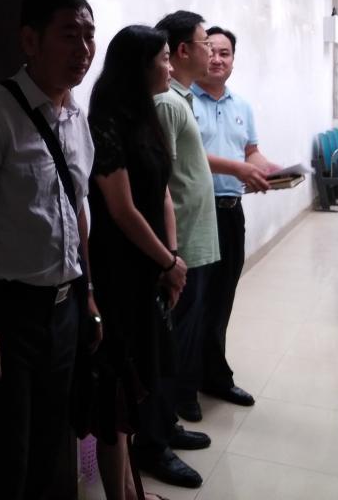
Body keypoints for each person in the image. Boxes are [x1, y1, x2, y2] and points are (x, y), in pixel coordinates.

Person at [0, 0, 100, 500]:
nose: (84, 49)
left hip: (64, 311)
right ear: (30, 41)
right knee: (1, 459)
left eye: (89, 35)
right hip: (7, 315)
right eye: (70, 35)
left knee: (48, 451)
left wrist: (87, 295)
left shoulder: (77, 120)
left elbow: (77, 211)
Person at [82, 25, 188, 500]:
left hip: (151, 267)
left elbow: (162, 191)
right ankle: (122, 494)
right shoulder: (104, 122)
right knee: (116, 389)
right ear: (139, 66)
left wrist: (172, 258)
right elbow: (121, 210)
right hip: (118, 271)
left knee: (137, 379)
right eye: (164, 58)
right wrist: (166, 262)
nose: (170, 67)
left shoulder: (148, 116)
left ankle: (130, 491)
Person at [129, 11, 221, 489]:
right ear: (182, 51)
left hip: (191, 246)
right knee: (165, 351)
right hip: (177, 249)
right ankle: (152, 444)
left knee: (179, 348)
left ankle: (166, 426)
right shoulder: (166, 104)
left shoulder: (180, 99)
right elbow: (155, 183)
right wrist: (169, 255)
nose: (212, 51)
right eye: (205, 43)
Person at [189, 26, 280, 409]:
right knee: (193, 301)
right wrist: (241, 168)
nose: (216, 59)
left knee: (221, 298)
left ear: (232, 60)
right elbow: (187, 156)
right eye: (210, 50)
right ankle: (183, 386)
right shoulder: (183, 100)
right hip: (197, 212)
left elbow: (250, 151)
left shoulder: (241, 106)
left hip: (231, 211)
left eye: (224, 53)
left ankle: (214, 376)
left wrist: (268, 168)